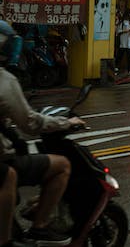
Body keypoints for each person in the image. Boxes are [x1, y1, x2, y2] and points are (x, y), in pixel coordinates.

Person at [0, 31, 83, 246]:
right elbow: (30, 124)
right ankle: (39, 227)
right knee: (62, 165)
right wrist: (67, 123)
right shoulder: (5, 81)